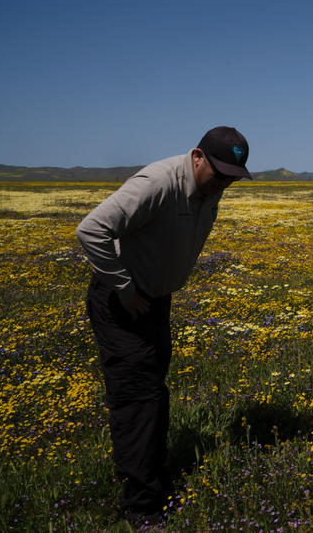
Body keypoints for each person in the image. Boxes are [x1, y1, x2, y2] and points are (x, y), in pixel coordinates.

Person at [76, 126, 251, 527]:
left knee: (153, 391)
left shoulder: (211, 190)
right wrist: (124, 288)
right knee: (139, 399)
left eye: (232, 177)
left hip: (154, 302)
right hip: (123, 302)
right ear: (197, 157)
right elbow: (91, 230)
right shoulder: (157, 181)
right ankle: (142, 506)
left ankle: (150, 475)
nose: (224, 183)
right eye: (219, 173)